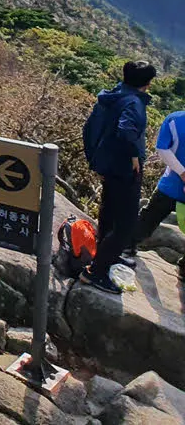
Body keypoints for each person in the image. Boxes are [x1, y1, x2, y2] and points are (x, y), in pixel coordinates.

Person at [81, 60, 157, 294]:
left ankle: (105, 254)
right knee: (125, 224)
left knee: (109, 212)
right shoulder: (134, 102)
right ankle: (95, 272)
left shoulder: (114, 94)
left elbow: (91, 128)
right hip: (124, 169)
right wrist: (134, 156)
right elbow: (125, 130)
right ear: (147, 83)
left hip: (108, 163)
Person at [130, 108, 185, 279]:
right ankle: (128, 245)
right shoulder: (175, 120)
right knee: (150, 216)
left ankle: (127, 246)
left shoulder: (175, 119)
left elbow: (163, 149)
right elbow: (162, 149)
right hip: (171, 185)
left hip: (171, 184)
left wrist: (182, 173)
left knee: (149, 216)